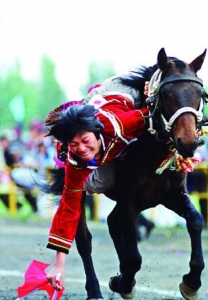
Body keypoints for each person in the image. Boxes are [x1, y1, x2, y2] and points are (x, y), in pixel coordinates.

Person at [44, 91, 149, 289]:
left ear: (97, 133)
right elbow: (68, 209)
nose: (81, 148)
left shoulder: (123, 124)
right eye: (74, 144)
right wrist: (59, 265)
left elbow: (154, 113)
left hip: (117, 94)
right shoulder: (74, 161)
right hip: (94, 108)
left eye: (85, 140)